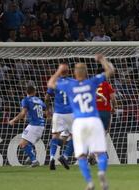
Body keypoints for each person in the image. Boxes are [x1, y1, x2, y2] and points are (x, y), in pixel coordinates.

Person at [48, 54, 115, 190]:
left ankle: (90, 182)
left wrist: (59, 71)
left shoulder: (69, 85)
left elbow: (50, 84)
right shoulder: (92, 82)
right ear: (86, 73)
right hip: (94, 120)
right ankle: (101, 172)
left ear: (74, 73)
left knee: (81, 155)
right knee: (100, 153)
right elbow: (110, 71)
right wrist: (102, 59)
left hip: (79, 122)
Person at [46, 63, 75, 170]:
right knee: (75, 137)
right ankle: (65, 156)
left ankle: (52, 158)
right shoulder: (73, 82)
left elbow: (47, 97)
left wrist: (48, 110)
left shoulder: (56, 82)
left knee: (55, 137)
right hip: (71, 113)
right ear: (69, 72)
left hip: (58, 113)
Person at [9, 85, 46, 167]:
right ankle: (31, 157)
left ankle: (34, 160)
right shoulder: (39, 100)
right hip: (41, 125)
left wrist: (13, 120)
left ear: (26, 92)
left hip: (34, 125)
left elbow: (23, 113)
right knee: (26, 143)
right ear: (34, 91)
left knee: (23, 144)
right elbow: (43, 110)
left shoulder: (25, 100)